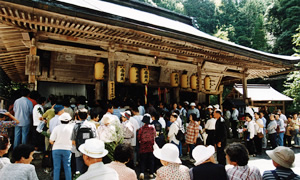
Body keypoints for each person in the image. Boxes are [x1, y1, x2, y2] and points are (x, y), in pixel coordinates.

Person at [50, 113, 74, 180]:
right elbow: (74, 141)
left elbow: (51, 140)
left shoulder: (56, 128)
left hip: (56, 149)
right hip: (67, 149)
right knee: (67, 167)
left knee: (56, 167)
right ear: (69, 120)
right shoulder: (71, 128)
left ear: (60, 120)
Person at [138, 114, 156, 180]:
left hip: (143, 147)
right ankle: (151, 173)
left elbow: (139, 137)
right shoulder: (152, 127)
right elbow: (155, 135)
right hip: (151, 147)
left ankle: (142, 172)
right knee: (151, 160)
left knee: (143, 160)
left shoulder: (141, 129)